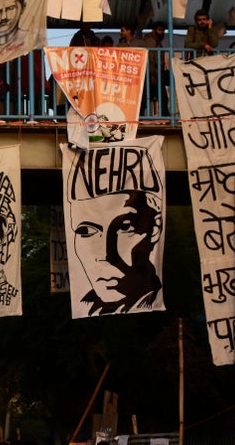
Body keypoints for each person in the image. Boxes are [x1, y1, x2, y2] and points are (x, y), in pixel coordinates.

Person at [67, 146, 164, 316]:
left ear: (155, 229)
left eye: (125, 227)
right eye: (86, 231)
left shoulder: (150, 308)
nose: (105, 255)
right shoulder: (89, 303)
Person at [143, 21, 170, 115]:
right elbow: (150, 58)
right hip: (153, 72)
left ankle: (142, 115)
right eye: (159, 30)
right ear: (154, 30)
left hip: (155, 72)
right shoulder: (151, 40)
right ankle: (164, 115)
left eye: (163, 30)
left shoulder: (155, 40)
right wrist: (153, 73)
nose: (161, 32)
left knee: (149, 95)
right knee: (160, 95)